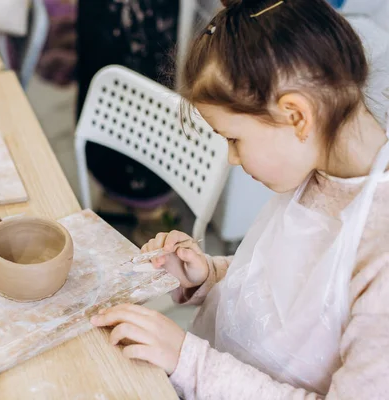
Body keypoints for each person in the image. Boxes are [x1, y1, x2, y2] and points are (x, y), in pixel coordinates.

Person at [90, 0, 389, 398]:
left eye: (234, 139)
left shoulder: (379, 253)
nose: (231, 158)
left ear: (296, 116)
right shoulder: (317, 165)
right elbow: (287, 289)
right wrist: (207, 276)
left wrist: (188, 361)